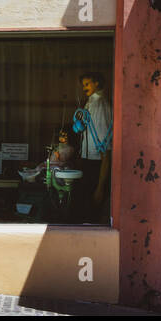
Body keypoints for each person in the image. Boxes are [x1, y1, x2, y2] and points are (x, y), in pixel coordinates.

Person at [72, 72, 111, 222]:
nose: (84, 88)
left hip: (97, 166)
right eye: (83, 85)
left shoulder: (100, 105)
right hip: (88, 163)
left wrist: (100, 187)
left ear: (97, 84)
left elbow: (106, 151)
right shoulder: (91, 103)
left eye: (87, 84)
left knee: (91, 214)